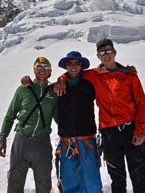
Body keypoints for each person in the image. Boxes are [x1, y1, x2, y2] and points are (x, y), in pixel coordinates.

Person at [58, 39, 145, 193]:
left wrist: (140, 130)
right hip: (109, 133)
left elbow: (142, 104)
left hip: (130, 130)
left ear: (114, 53)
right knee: (117, 178)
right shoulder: (94, 75)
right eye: (102, 52)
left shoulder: (129, 75)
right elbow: (73, 73)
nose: (106, 55)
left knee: (138, 177)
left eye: (108, 51)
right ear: (98, 56)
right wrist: (62, 79)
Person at [0, 56, 58, 193]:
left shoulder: (54, 93)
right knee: (15, 180)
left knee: (44, 183)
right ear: (34, 70)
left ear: (50, 71)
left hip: (42, 141)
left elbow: (60, 119)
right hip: (22, 140)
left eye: (45, 67)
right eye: (39, 66)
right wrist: (2, 139)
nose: (42, 69)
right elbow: (10, 116)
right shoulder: (23, 89)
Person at [55, 51, 103, 192]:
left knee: (92, 181)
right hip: (66, 142)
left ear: (82, 66)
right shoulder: (58, 87)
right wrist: (61, 79)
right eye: (70, 63)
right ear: (66, 66)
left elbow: (106, 73)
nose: (73, 66)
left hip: (87, 140)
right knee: (70, 182)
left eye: (77, 63)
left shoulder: (89, 85)